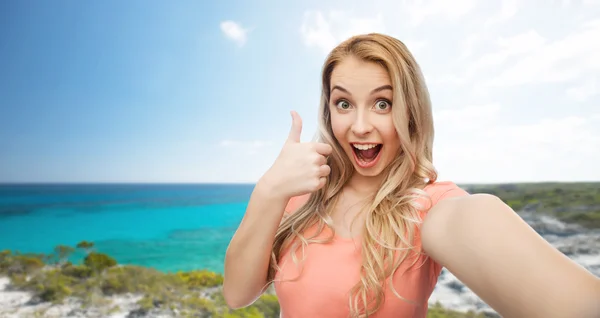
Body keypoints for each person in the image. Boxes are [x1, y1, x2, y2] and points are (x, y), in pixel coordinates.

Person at [222, 33, 600, 318]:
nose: (360, 125)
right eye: (344, 103)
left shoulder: (430, 208)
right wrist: (270, 189)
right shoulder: (300, 196)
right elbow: (238, 294)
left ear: (410, 111)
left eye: (382, 103)